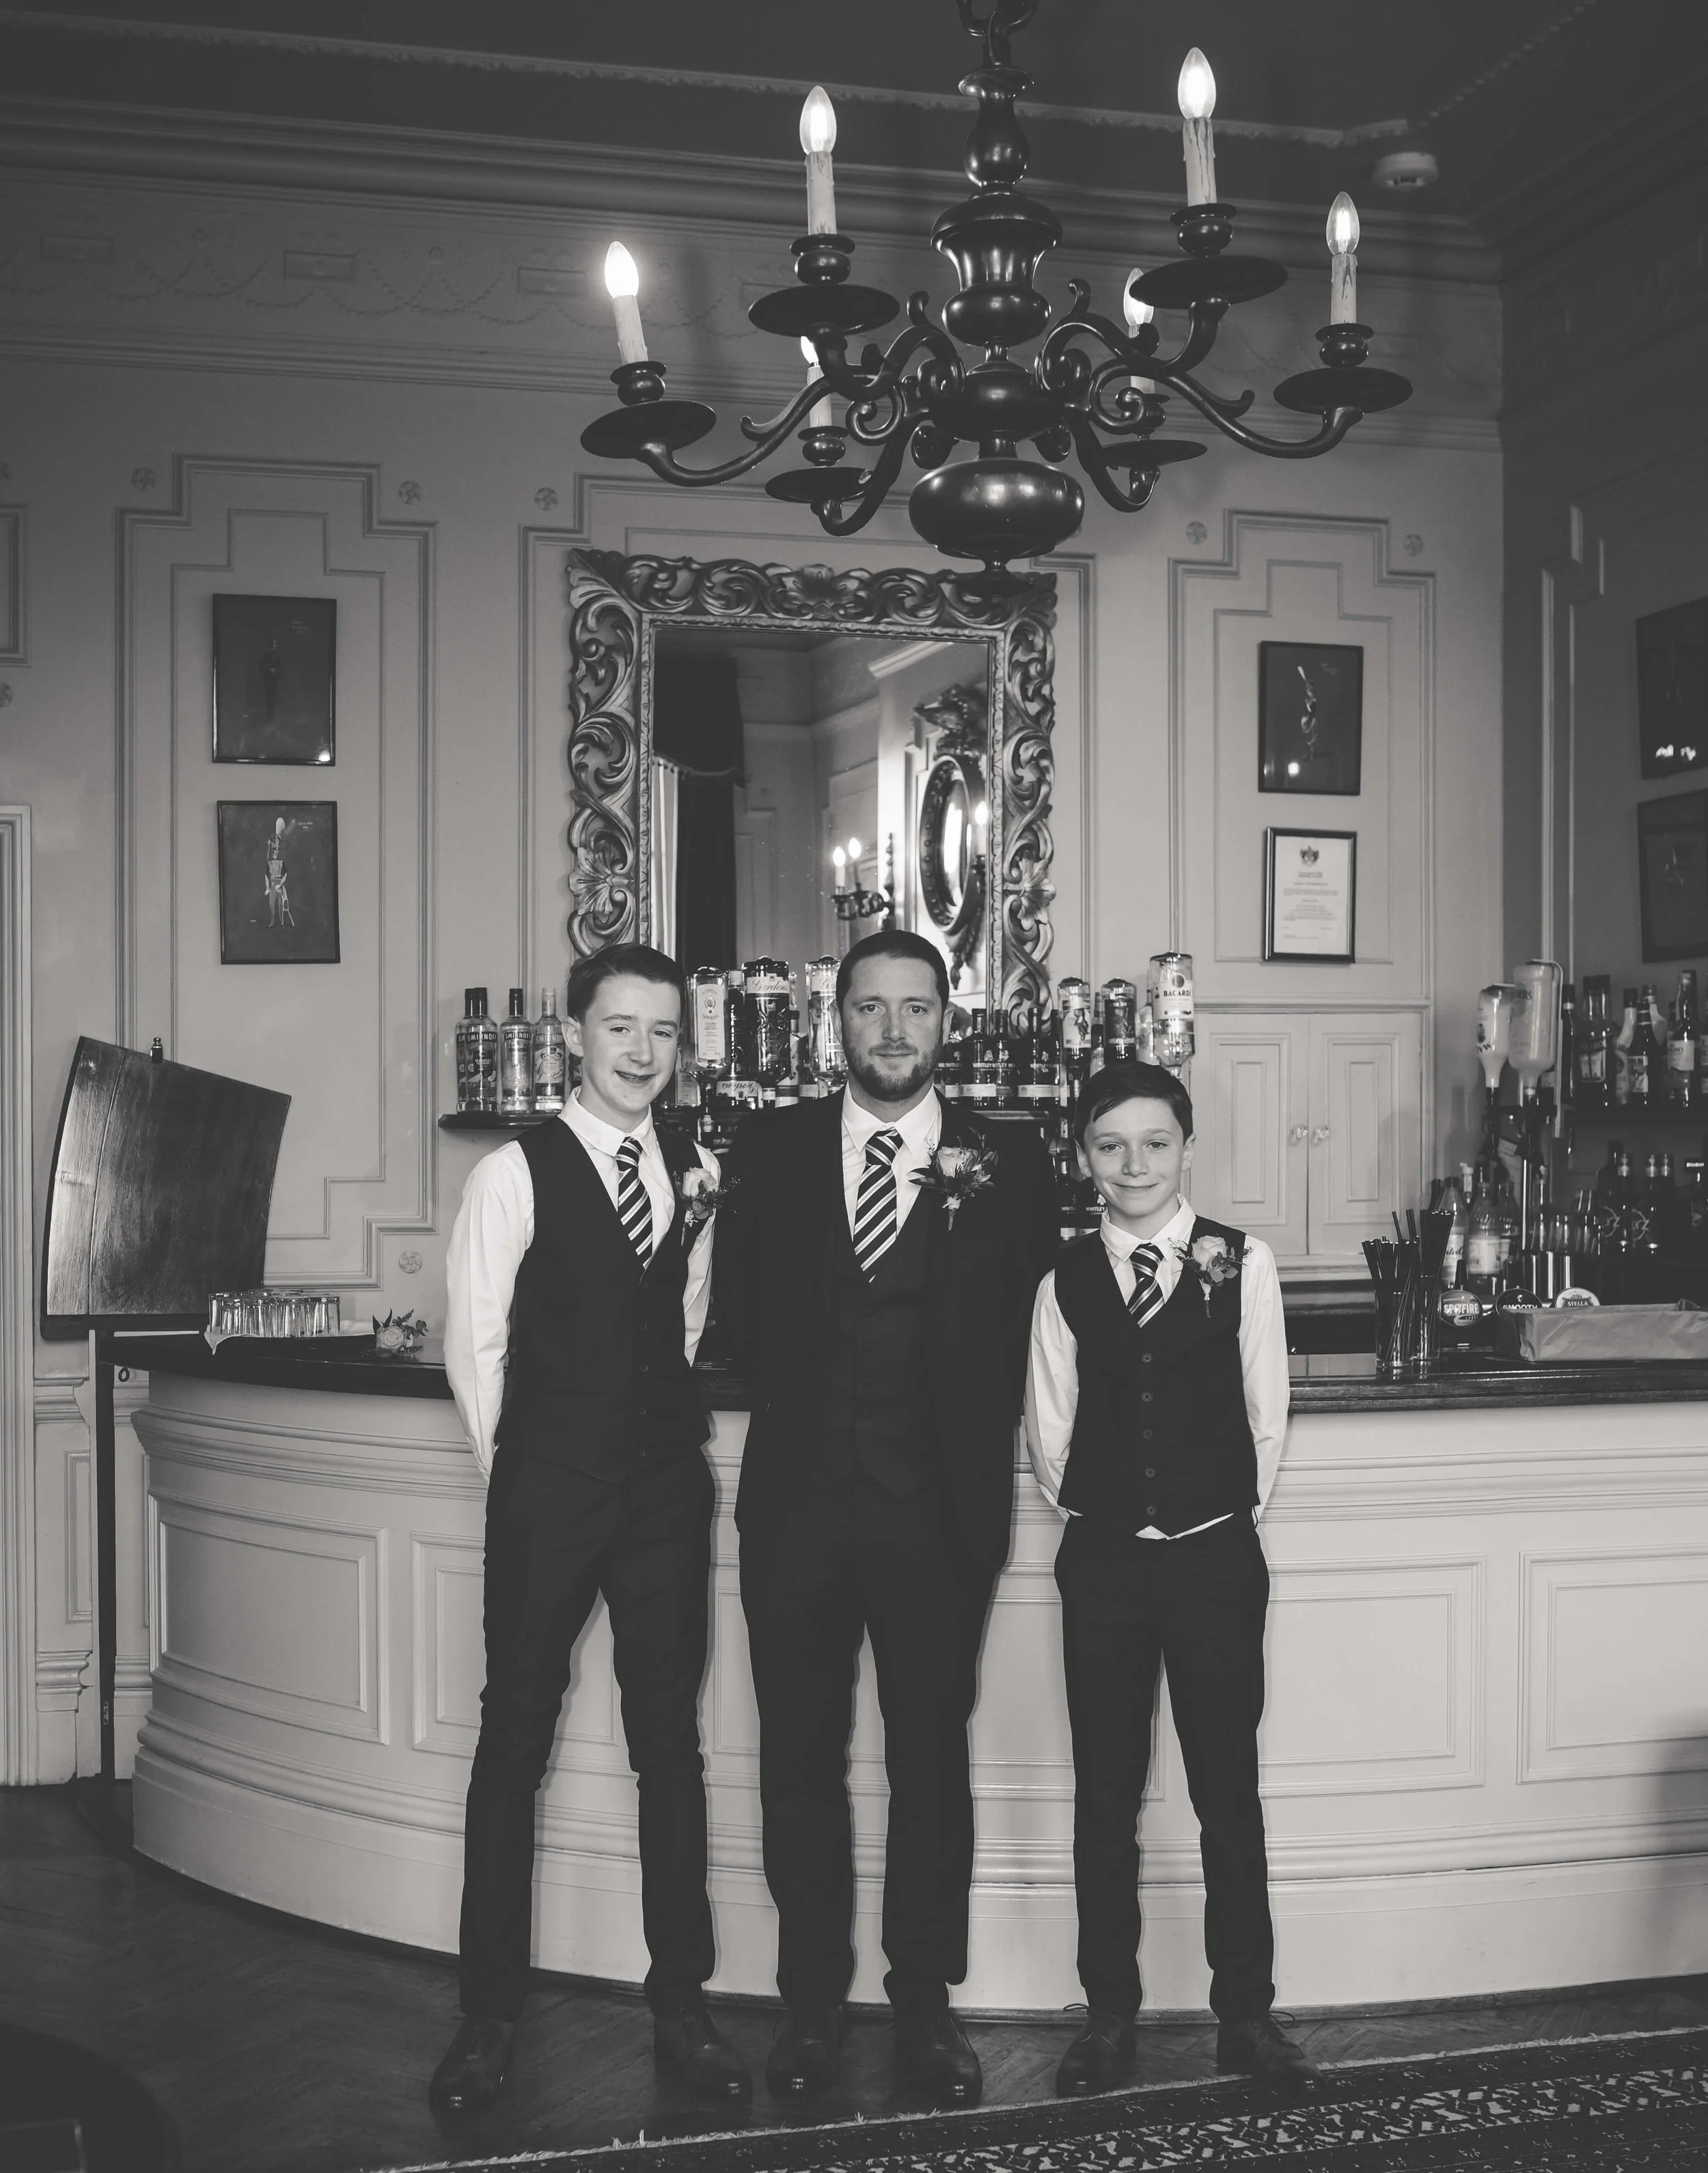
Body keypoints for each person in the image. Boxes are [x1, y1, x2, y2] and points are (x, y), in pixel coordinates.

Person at [717, 930, 1057, 2106]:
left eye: (917, 1009)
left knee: (930, 1764)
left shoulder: (1010, 1163)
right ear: (837, 1023)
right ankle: (811, 2004)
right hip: (797, 1514)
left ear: (946, 1023)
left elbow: (1044, 1330)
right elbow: (735, 1322)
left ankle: (926, 2006)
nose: (894, 1031)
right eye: (872, 1009)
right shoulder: (769, 1147)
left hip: (937, 1519)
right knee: (797, 1763)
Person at [432, 944, 747, 2115]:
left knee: (670, 1743)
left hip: (666, 1485)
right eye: (621, 1028)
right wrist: (537, 1473)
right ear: (575, 1035)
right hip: (552, 1487)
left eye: (664, 1033)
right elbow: (478, 1350)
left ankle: (684, 2001)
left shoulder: (694, 1166)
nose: (643, 1052)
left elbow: (685, 1314)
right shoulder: (514, 1174)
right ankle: (487, 2017)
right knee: (513, 1738)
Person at [1024, 1061, 1317, 2101]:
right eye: (1111, 1145)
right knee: (1104, 1797)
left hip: (1213, 1557)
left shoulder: (1244, 1263)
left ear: (1186, 1149)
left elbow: (1266, 1415)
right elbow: (1049, 1433)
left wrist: (1206, 1515)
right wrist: (1113, 1517)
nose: (1134, 1164)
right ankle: (1108, 2017)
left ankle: (1248, 2015)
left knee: (1226, 1794)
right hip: (1103, 1562)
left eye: (1154, 1143)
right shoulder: (1062, 1278)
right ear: (1084, 1157)